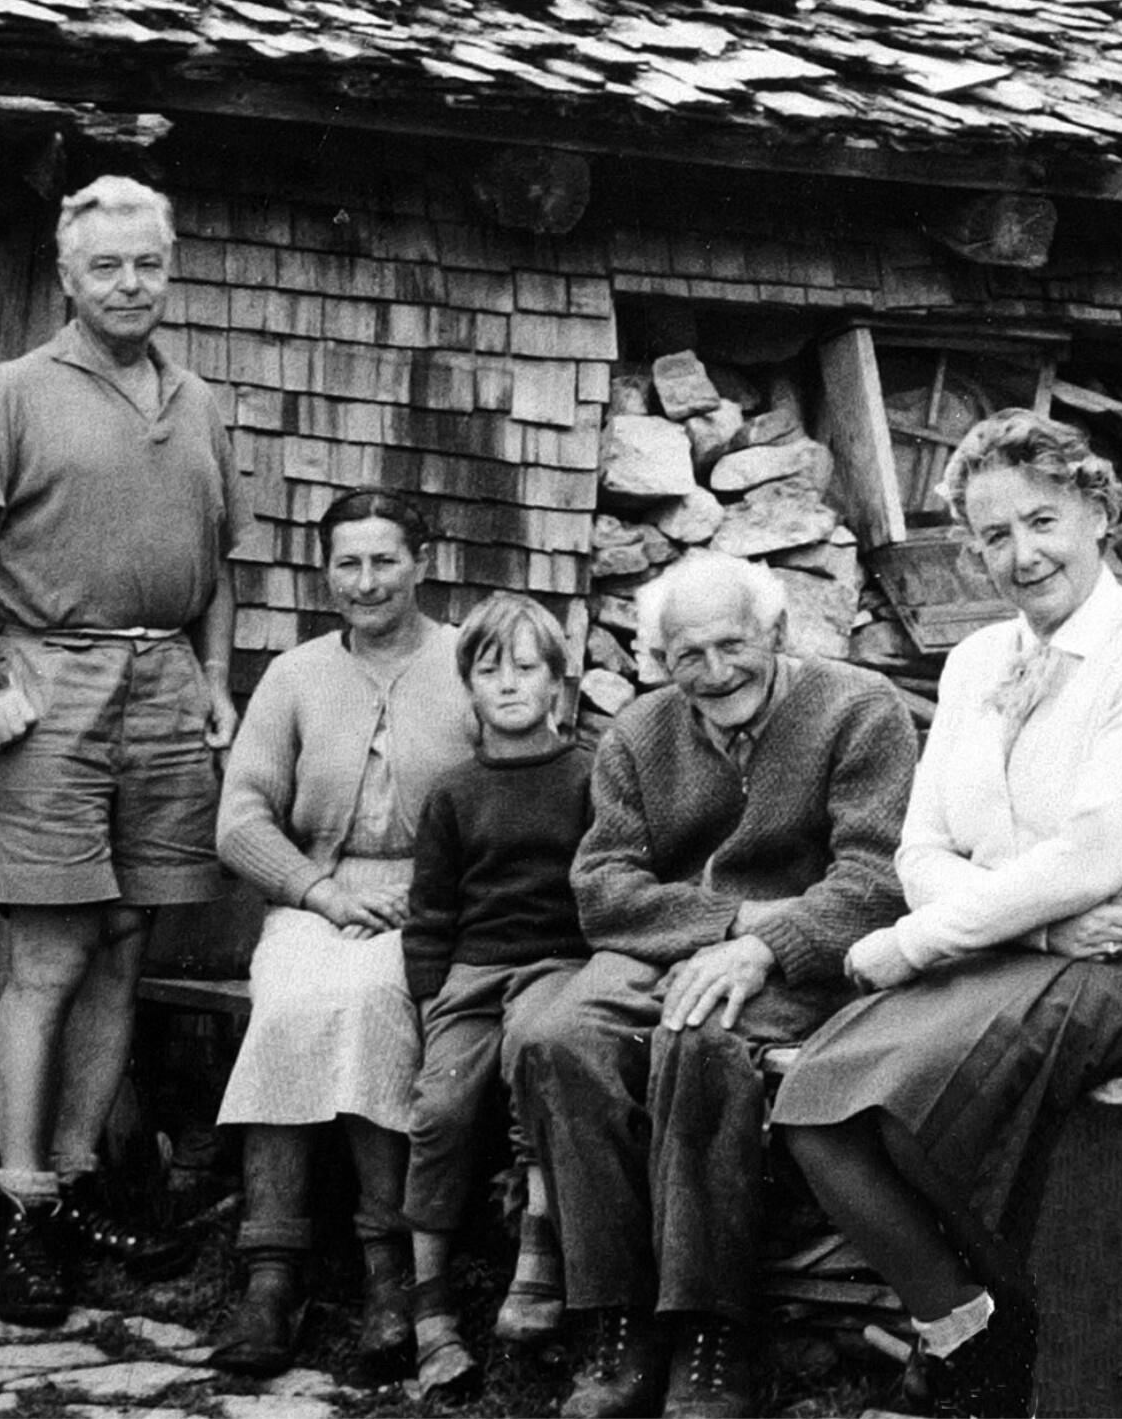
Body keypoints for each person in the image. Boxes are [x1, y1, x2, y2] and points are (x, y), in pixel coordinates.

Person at [772, 410, 1122, 1416]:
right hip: (1022, 954)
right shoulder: (973, 662)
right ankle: (969, 1333)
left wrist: (910, 944)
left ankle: (1028, 1360)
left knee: (913, 1105)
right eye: (995, 534)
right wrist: (1032, 928)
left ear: (1098, 512)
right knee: (817, 1100)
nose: (1023, 554)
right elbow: (921, 850)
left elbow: (1096, 857)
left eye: (1043, 521)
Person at [0, 175, 243, 1328]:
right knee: (51, 952)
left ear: (169, 265)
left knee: (126, 940)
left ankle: (84, 1176)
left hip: (166, 685)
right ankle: (22, 1209)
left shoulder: (197, 400)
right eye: (107, 266)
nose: (131, 284)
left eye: (148, 262)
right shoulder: (12, 392)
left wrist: (216, 680)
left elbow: (217, 562)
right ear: (67, 276)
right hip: (55, 682)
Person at [514, 550, 919, 1419]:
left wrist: (769, 944)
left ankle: (710, 1333)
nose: (715, 671)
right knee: (559, 1040)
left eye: (733, 644)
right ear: (661, 659)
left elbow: (877, 878)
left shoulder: (860, 710)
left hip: (807, 956)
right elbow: (602, 888)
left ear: (778, 631)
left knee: (700, 1041)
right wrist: (730, 925)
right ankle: (615, 1324)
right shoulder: (639, 732)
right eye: (687, 655)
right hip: (673, 944)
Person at [205, 489, 478, 1379]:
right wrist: (318, 891)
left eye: (384, 560)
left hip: (435, 905)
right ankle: (272, 1272)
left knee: (370, 999)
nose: (366, 582)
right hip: (317, 898)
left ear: (421, 564)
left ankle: (386, 1269)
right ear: (326, 572)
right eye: (347, 563)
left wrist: (432, 894)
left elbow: (513, 791)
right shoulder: (296, 676)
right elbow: (241, 818)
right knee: (288, 1000)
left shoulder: (467, 662)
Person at [397, 592, 595, 1399]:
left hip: (561, 966)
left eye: (526, 667)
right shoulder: (453, 792)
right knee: (440, 1110)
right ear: (468, 687)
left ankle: (536, 1264)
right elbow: (429, 917)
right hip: (474, 974)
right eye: (489, 670)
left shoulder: (589, 776)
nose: (509, 684)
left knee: (534, 1062)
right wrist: (430, 1007)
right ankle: (430, 1306)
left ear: (558, 682)